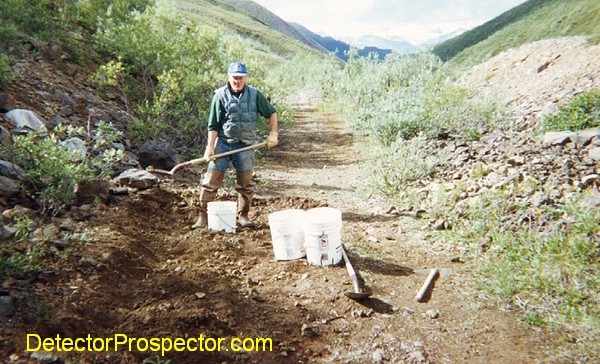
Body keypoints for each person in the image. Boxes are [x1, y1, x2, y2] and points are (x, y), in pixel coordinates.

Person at [192, 61, 279, 229]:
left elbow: (271, 113)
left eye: (240, 78)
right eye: (234, 78)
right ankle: (203, 217)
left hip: (245, 145)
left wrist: (273, 133)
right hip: (223, 144)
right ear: (228, 77)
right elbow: (213, 125)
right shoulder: (219, 95)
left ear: (245, 78)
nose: (237, 81)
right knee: (210, 181)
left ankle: (243, 216)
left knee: (245, 184)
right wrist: (210, 147)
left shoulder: (255, 95)